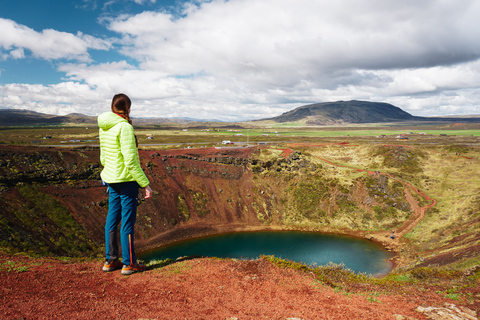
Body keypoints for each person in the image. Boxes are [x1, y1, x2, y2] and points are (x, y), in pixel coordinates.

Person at [98, 93, 153, 275]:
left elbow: (103, 156)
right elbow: (130, 161)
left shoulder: (104, 125)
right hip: (126, 180)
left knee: (112, 219)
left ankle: (110, 260)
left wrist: (108, 173)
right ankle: (129, 263)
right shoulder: (124, 127)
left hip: (111, 178)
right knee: (127, 222)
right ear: (127, 108)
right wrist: (145, 184)